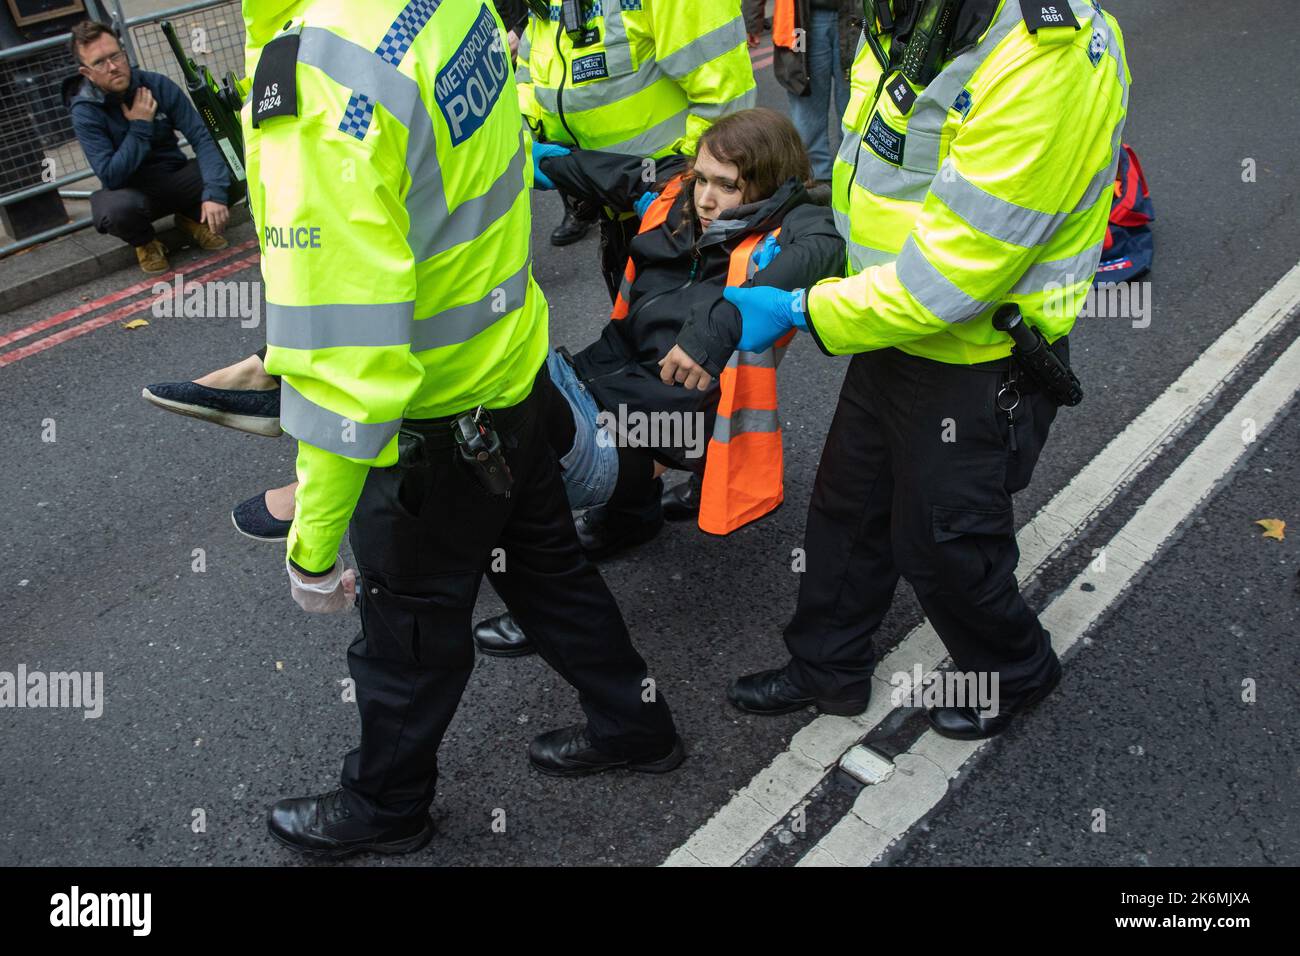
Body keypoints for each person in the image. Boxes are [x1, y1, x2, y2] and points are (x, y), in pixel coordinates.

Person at [242, 0, 683, 859]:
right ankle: (637, 723)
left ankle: (386, 805)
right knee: (550, 572)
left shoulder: (322, 75)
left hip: (431, 422)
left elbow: (345, 357)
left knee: (405, 636)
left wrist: (315, 540)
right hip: (508, 370)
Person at [721, 0, 1131, 739]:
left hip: (978, 353)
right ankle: (827, 667)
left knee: (942, 541)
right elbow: (876, 167)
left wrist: (802, 310)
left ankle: (1014, 670)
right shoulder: (909, 13)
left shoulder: (1046, 55)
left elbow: (952, 278)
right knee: (847, 507)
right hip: (889, 327)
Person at [475, 107, 845, 657]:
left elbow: (826, 247)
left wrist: (719, 324)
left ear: (768, 182)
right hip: (606, 377)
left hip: (675, 421)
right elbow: (590, 169)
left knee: (520, 460)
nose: (705, 198)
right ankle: (631, 515)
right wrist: (504, 166)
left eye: (728, 185)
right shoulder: (677, 190)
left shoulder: (794, 226)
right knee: (492, 377)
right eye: (703, 179)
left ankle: (550, 609)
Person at [516, 0, 756, 265]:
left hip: (674, 205)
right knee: (634, 300)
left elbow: (725, 96)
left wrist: (688, 186)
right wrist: (525, 138)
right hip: (610, 199)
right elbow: (530, 72)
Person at [65, 20, 230, 274]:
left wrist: (215, 193)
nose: (112, 67)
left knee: (230, 165)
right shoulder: (86, 111)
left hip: (173, 177)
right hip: (130, 192)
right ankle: (146, 242)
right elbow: (111, 174)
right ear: (86, 73)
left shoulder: (157, 85)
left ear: (124, 53)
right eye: (99, 62)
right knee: (115, 211)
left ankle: (192, 219)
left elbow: (202, 136)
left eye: (115, 56)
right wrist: (140, 126)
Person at [743, 0, 857, 185]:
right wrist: (751, 19)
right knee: (806, 92)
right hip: (805, 19)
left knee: (856, 103)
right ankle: (817, 178)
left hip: (858, 16)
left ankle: (854, 171)